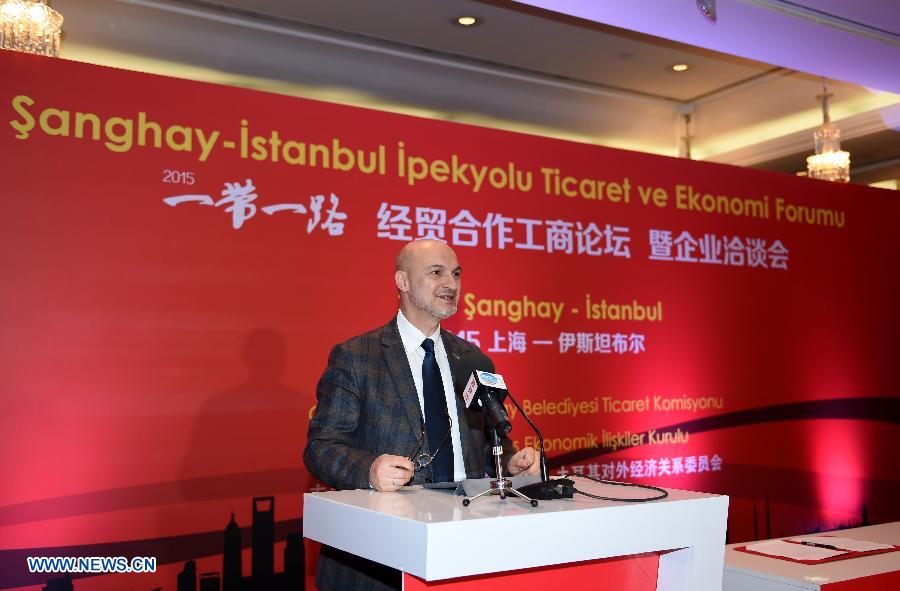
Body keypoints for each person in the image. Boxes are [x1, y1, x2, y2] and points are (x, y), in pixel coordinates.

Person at [304, 238, 540, 591]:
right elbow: (321, 448)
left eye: (456, 274)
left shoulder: (469, 358)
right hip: (381, 553)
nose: (451, 284)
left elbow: (489, 439)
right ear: (402, 281)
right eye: (436, 273)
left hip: (465, 545)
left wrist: (509, 462)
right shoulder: (358, 357)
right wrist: (368, 470)